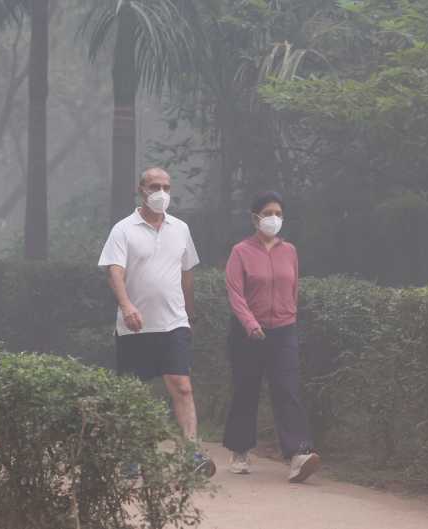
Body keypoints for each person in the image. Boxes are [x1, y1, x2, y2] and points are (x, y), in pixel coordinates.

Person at [98, 167, 215, 477]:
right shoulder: (123, 229)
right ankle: (131, 455)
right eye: (154, 186)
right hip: (134, 326)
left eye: (166, 187)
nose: (161, 193)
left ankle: (192, 454)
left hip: (173, 323)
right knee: (133, 392)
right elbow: (114, 271)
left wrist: (189, 314)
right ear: (142, 190)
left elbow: (187, 274)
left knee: (183, 387)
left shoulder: (181, 229)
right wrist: (126, 306)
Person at [223, 191, 320, 483]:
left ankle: (298, 455)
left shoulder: (289, 251)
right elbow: (235, 293)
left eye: (278, 213)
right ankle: (240, 451)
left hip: (283, 331)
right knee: (246, 390)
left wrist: (290, 317)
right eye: (268, 213)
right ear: (255, 218)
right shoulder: (240, 251)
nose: (273, 218)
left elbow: (293, 287)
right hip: (247, 333)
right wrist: (250, 323)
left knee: (287, 390)